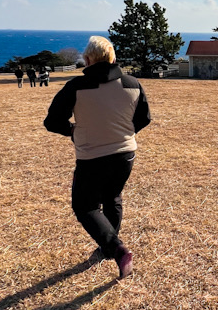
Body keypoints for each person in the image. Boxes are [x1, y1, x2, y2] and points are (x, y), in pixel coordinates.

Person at [43, 36, 151, 279]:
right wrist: (123, 132)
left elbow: (52, 122)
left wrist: (72, 130)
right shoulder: (132, 83)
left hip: (92, 155)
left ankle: (116, 248)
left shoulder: (76, 87)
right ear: (113, 58)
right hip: (125, 153)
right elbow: (144, 118)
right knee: (112, 196)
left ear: (88, 59)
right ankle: (108, 246)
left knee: (85, 206)